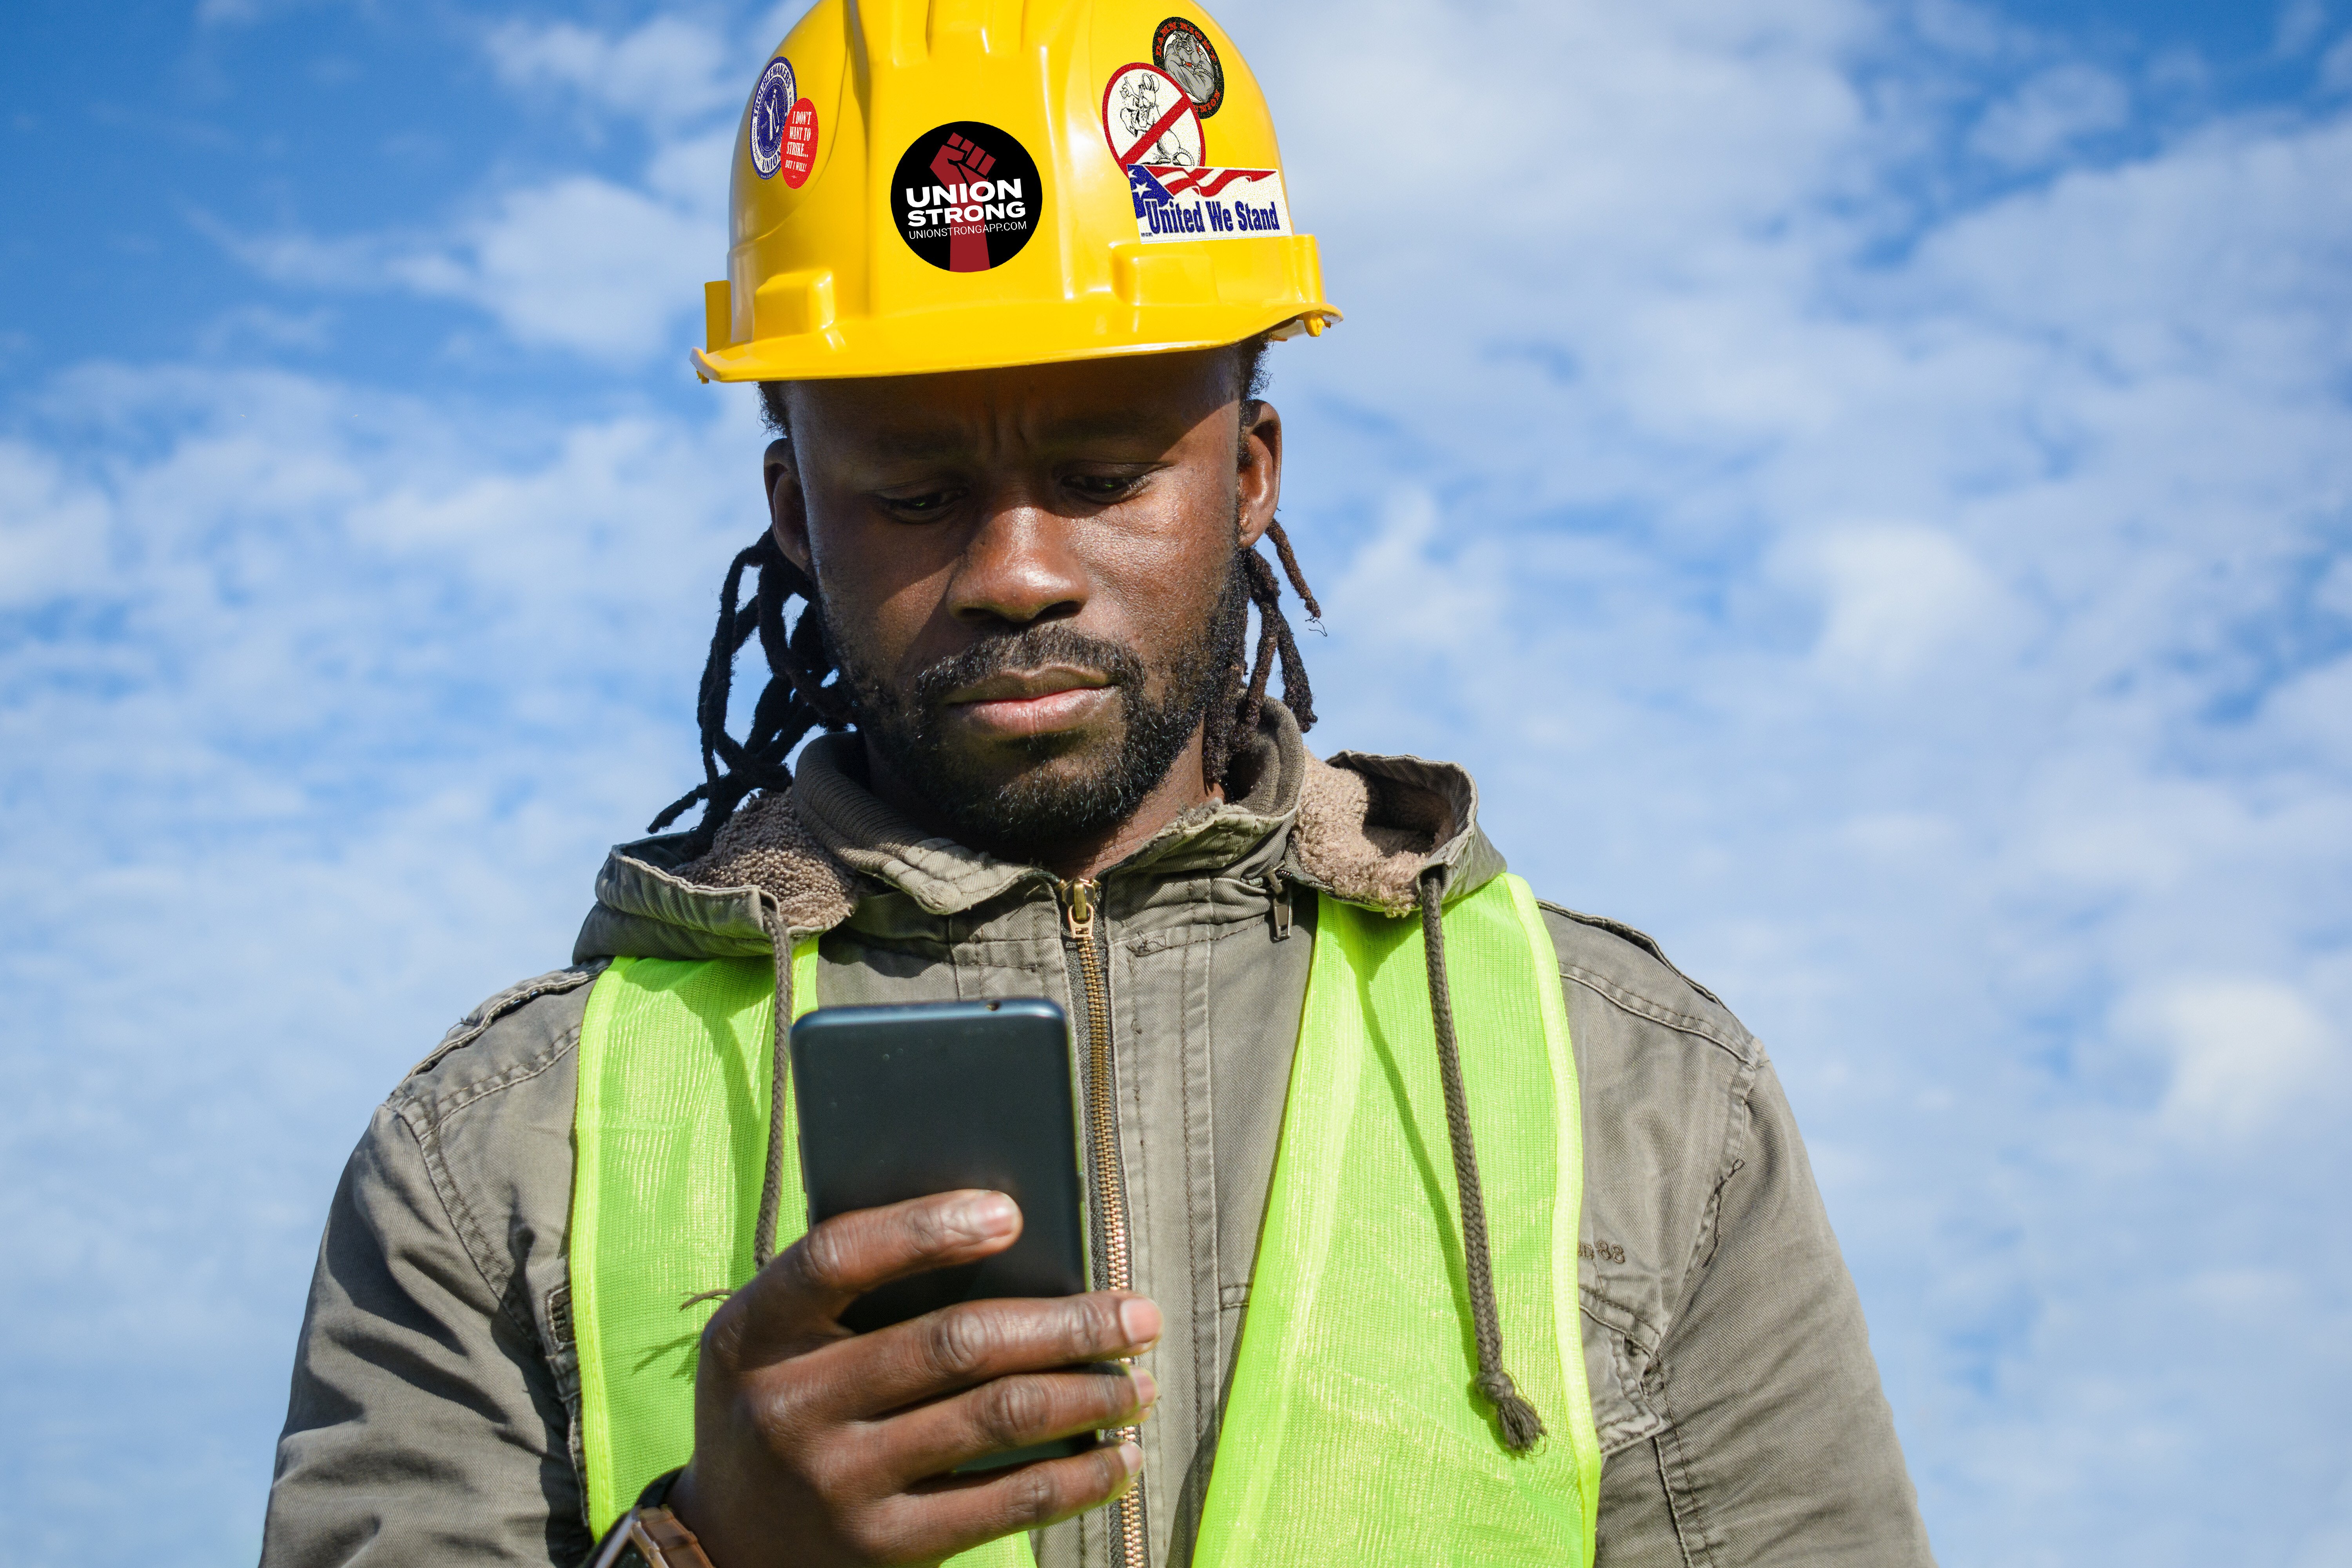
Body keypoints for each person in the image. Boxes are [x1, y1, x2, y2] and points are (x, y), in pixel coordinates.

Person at [259, 3, 1936, 1565]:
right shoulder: (493, 1157)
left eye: (1100, 473)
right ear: (793, 507)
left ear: (1251, 471)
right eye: (914, 491)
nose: (1016, 570)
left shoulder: (1639, 1096)